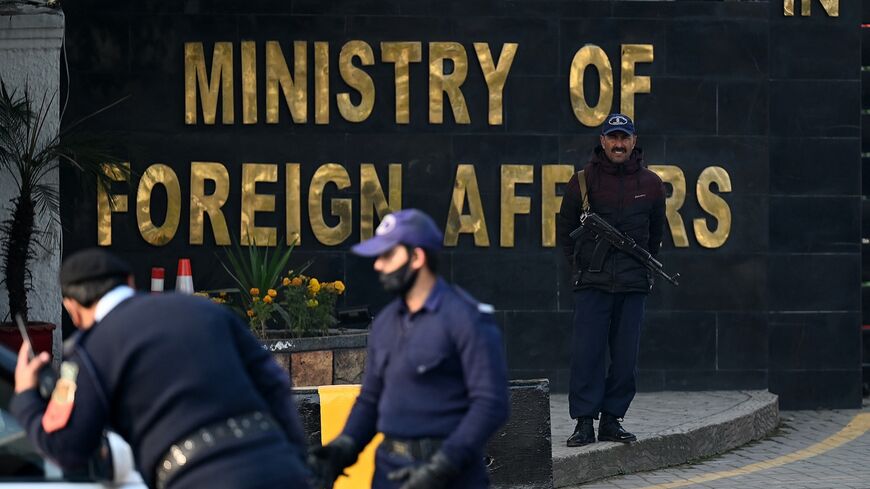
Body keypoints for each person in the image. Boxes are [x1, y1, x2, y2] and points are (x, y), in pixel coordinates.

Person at [11, 248, 311, 489]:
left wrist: (25, 396)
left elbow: (69, 448)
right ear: (129, 282)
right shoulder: (205, 310)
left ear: (72, 307)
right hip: (280, 466)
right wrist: (299, 460)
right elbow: (274, 384)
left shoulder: (89, 351)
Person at [308, 209, 510, 489]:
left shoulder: (466, 318)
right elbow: (371, 400)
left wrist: (440, 468)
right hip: (388, 472)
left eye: (388, 255)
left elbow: (491, 404)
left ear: (417, 257)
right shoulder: (386, 322)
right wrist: (344, 447)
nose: (378, 265)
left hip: (452, 477)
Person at [557, 113, 666, 447]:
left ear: (634, 141)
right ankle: (585, 423)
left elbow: (655, 235)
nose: (619, 144)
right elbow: (565, 232)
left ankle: (612, 420)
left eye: (625, 138)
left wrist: (641, 270)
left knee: (625, 358)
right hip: (593, 283)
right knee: (587, 355)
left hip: (632, 284)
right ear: (602, 141)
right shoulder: (583, 181)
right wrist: (582, 265)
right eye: (613, 138)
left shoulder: (651, 184)